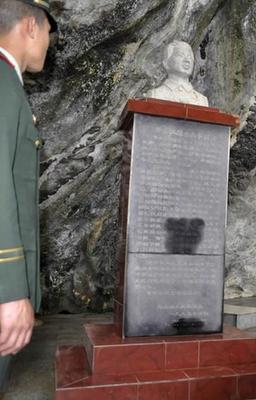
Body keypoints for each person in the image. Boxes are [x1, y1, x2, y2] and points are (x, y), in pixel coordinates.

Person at [0, 0, 56, 395]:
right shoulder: (3, 87)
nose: (50, 42)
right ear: (31, 27)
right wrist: (10, 292)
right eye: (50, 32)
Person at [145, 40, 209, 106]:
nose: (187, 60)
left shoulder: (202, 100)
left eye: (190, 57)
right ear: (166, 63)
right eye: (180, 55)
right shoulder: (156, 95)